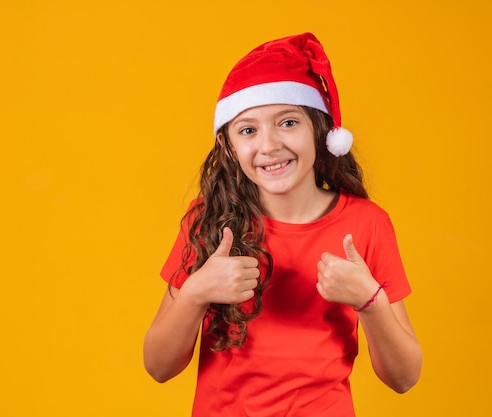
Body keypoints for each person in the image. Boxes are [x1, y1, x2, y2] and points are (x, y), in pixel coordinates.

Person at [143, 32, 422, 417]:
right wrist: (195, 293)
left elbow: (404, 377)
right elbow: (158, 366)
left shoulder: (366, 224)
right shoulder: (208, 220)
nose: (269, 145)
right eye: (248, 130)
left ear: (319, 131)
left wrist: (370, 302)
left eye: (288, 122)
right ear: (228, 146)